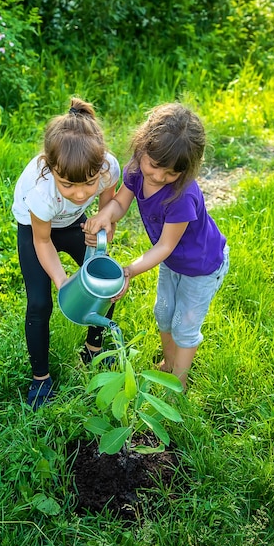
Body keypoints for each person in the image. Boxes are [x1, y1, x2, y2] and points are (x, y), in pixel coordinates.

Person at [83, 102, 229, 390]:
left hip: (202, 266)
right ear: (142, 147)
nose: (159, 177)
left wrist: (128, 271)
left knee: (185, 326)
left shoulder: (182, 195)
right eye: (155, 166)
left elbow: (164, 246)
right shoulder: (137, 171)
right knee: (163, 313)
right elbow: (121, 202)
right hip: (175, 263)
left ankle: (178, 383)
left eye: (171, 173)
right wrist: (105, 215)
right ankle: (168, 361)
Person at [12, 98, 120, 409]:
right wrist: (63, 282)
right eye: (68, 184)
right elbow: (43, 241)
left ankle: (92, 350)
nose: (80, 192)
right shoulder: (41, 191)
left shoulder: (107, 167)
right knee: (40, 302)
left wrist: (102, 226)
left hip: (74, 223)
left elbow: (105, 204)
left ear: (99, 167)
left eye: (88, 182)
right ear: (50, 168)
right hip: (36, 229)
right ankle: (41, 379)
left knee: (104, 284)